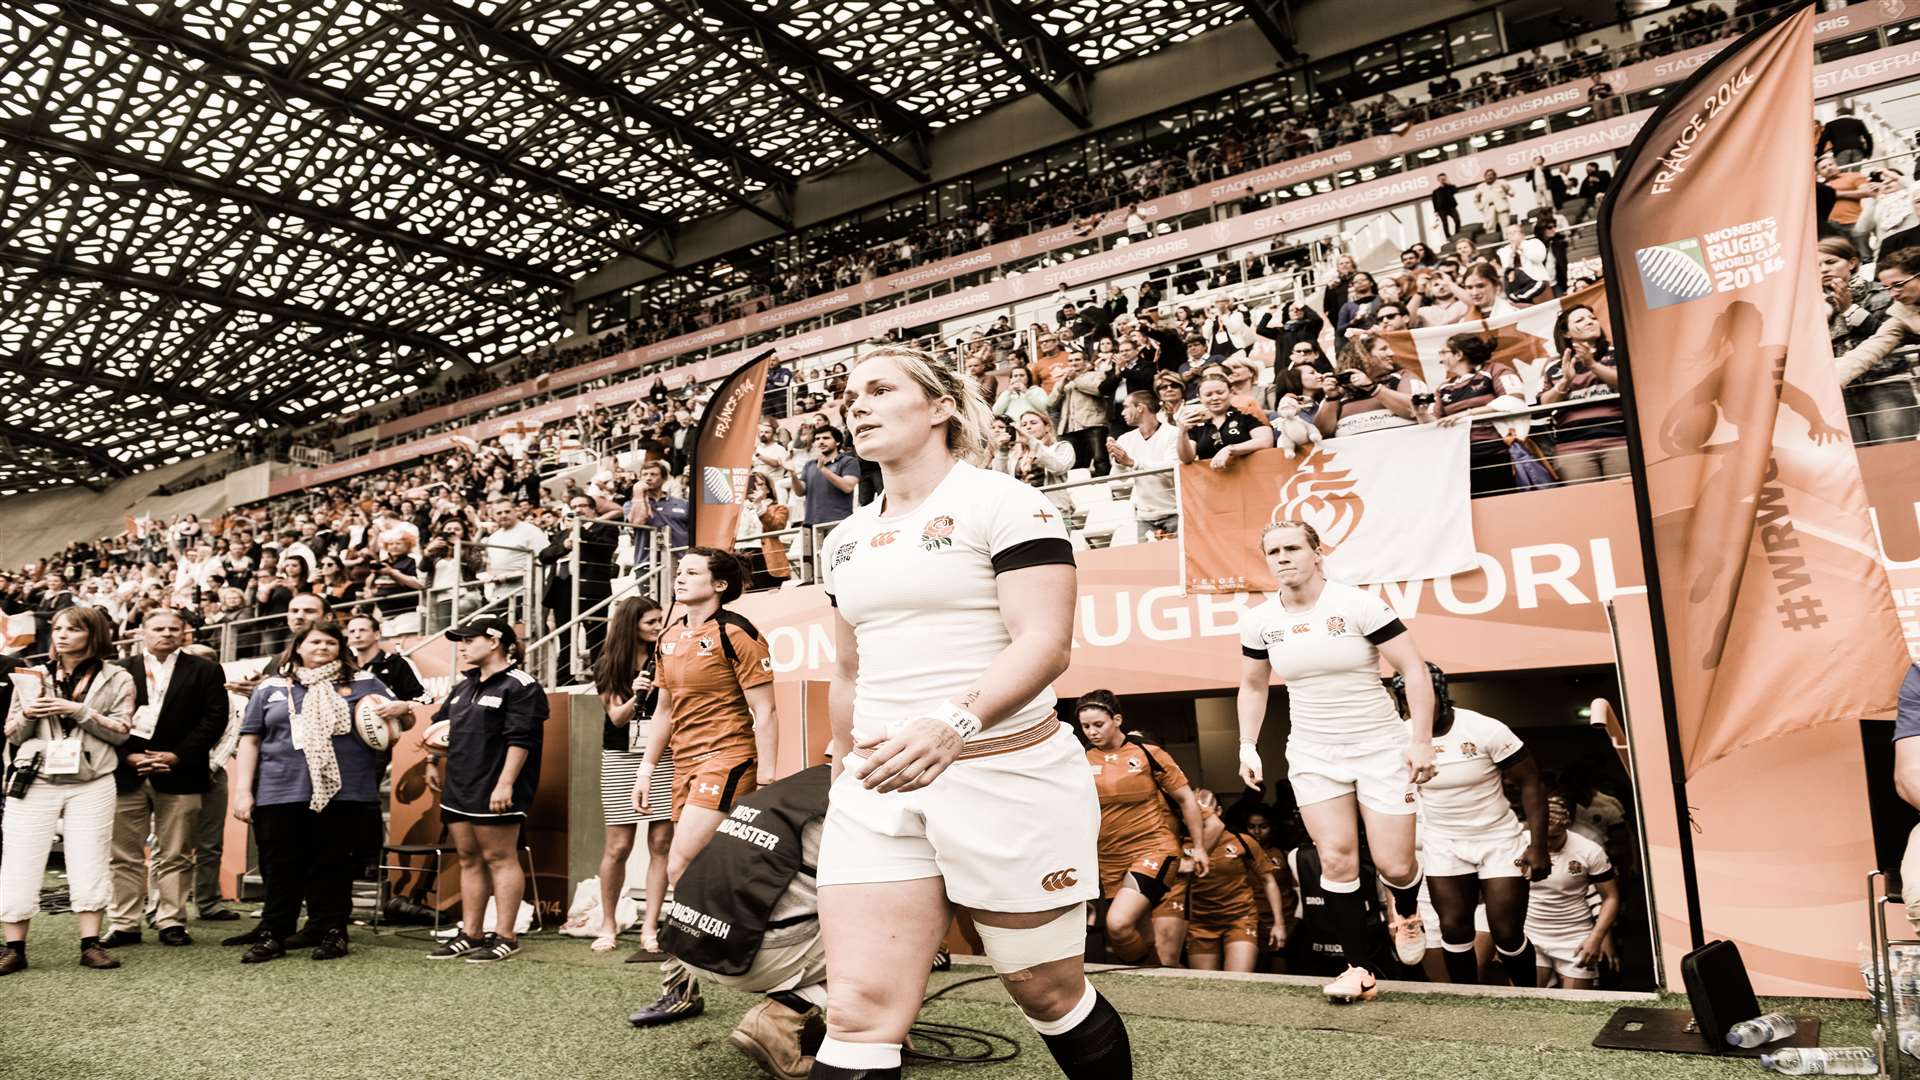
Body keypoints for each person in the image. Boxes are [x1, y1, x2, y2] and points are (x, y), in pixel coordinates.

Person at [809, 344, 1127, 1080]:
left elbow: (1046, 643)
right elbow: (849, 670)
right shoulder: (846, 539)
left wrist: (952, 722)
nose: (855, 405)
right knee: (857, 1009)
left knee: (1043, 989)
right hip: (880, 788)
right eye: (849, 394)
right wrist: (839, 768)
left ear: (941, 406)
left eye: (879, 389)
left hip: (1007, 776)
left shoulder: (1004, 501)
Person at [1236, 521, 1437, 1002]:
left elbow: (1413, 668)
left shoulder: (1357, 604)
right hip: (1313, 751)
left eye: (1292, 548)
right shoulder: (1259, 619)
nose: (1282, 558)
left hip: (1380, 747)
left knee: (1395, 862)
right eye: (1273, 552)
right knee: (1337, 860)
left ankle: (1405, 910)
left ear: (1316, 553)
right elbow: (1254, 685)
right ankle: (1359, 969)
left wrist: (1422, 740)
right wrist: (1247, 744)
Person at [629, 546, 780, 1027]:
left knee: (681, 863)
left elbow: (767, 711)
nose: (680, 577)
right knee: (701, 870)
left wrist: (770, 777)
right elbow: (665, 711)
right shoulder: (670, 637)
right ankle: (725, 966)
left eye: (692, 571)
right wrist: (646, 768)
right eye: (679, 571)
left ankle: (683, 985)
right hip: (685, 764)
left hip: (729, 758)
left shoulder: (735, 632)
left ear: (718, 584)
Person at [225, 622, 394, 963]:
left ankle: (330, 931)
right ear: (298, 647)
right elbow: (251, 739)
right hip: (280, 790)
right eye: (314, 641)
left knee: (332, 865)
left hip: (344, 791)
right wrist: (243, 791)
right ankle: (275, 933)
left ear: (340, 648)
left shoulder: (365, 684)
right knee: (280, 866)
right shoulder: (270, 687)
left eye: (331, 642)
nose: (322, 647)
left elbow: (393, 727)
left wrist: (400, 712)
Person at [1, 605, 134, 974]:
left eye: (73, 629)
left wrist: (77, 710)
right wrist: (28, 714)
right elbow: (12, 732)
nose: (61, 635)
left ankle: (90, 944)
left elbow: (122, 732)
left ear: (92, 634)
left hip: (92, 780)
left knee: (89, 855)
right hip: (36, 778)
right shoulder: (31, 675)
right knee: (20, 858)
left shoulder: (118, 678)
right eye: (58, 628)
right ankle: (14, 947)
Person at [1398, 666, 1548, 987]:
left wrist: (1538, 845)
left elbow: (1531, 783)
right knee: (1453, 928)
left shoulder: (1484, 729)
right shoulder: (1400, 738)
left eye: (1425, 698)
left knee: (1506, 933)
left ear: (1440, 695)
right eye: (1409, 701)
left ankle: (1532, 997)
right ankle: (1469, 999)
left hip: (1498, 839)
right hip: (1444, 842)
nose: (1419, 709)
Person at [423, 614, 548, 964]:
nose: (461, 647)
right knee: (468, 858)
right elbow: (438, 728)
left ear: (494, 641)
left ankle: (506, 935)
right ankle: (471, 933)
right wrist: (431, 763)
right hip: (460, 785)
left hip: (496, 788)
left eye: (468, 639)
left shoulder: (521, 686)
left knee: (499, 857)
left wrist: (505, 783)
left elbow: (522, 739)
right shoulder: (463, 686)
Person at [102, 609, 227, 948]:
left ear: (184, 633)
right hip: (126, 770)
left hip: (181, 771)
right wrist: (129, 755)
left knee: (177, 853)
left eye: (175, 628)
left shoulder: (205, 669)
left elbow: (215, 719)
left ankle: (171, 920)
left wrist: (178, 755)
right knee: (124, 854)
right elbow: (101, 718)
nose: (167, 634)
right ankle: (124, 923)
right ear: (143, 632)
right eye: (159, 628)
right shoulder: (117, 670)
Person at [1078, 690, 1208, 968]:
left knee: (1118, 923)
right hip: (1110, 858)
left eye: (1098, 724)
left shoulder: (1148, 752)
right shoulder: (1080, 760)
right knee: (1140, 932)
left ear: (1117, 720)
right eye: (1086, 726)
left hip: (1154, 848)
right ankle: (1157, 974)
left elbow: (1186, 799)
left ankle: (1154, 970)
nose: (1092, 732)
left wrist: (1199, 848)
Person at [590, 597, 675, 958]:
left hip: (665, 755)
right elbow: (616, 718)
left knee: (661, 844)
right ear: (631, 625)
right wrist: (639, 691)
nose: (658, 627)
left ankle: (651, 926)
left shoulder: (668, 656)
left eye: (659, 621)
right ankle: (608, 923)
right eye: (649, 623)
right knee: (618, 846)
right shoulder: (609, 663)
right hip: (621, 756)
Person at [1826, 241, 1919, 445]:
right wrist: (1826, 382)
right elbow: (1869, 350)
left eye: (1898, 285)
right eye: (1887, 288)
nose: (1893, 294)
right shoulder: (1900, 314)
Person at [1184, 789, 1285, 974]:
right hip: (1200, 922)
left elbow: (1268, 880)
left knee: (1237, 982)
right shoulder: (1182, 844)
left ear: (1219, 811)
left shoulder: (1241, 841)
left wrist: (1279, 924)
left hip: (1240, 918)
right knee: (1205, 987)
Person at [1527, 792, 1621, 989]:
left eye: (1553, 837)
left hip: (1575, 936)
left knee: (1575, 1005)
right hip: (1531, 932)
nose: (1547, 844)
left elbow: (1610, 897)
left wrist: (1597, 938)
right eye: (1542, 836)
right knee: (1525, 1001)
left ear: (1567, 826)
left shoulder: (1589, 850)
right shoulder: (1518, 841)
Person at [1538, 305, 1627, 482]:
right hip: (1573, 446)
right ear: (1566, 333)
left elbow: (1629, 385)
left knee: (1625, 499)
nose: (1590, 321)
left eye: (1592, 318)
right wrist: (1565, 382)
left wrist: (1592, 365)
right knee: (1586, 502)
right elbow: (1544, 404)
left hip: (1618, 439)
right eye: (1580, 320)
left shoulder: (1617, 352)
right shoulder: (1554, 365)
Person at [1434, 333, 1528, 497]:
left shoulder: (1495, 370)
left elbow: (1515, 399)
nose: (1439, 359)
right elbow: (1435, 422)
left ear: (1458, 354)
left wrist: (1466, 415)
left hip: (1496, 453)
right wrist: (1419, 412)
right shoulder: (1444, 387)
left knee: (1503, 507)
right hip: (1460, 459)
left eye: (1443, 352)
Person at [1107, 391, 1181, 538]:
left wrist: (1132, 462)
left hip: (1175, 514)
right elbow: (1117, 479)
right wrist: (1118, 461)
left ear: (1140, 407)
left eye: (1126, 407)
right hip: (1144, 518)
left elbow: (1170, 469)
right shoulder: (1125, 439)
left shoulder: (1173, 433)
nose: (1122, 413)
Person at [1175, 372, 1273, 471]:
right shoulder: (1195, 422)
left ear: (1231, 392)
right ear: (1199, 397)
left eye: (1220, 392)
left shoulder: (1247, 412)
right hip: (1213, 482)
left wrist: (1230, 449)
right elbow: (1186, 459)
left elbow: (1266, 441)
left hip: (1253, 476)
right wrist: (1182, 432)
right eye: (1208, 395)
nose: (1215, 398)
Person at [789, 427, 861, 529]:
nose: (821, 441)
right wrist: (793, 474)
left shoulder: (848, 461)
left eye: (826, 438)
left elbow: (847, 486)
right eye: (817, 439)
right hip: (811, 524)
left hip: (838, 522)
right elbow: (800, 492)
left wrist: (823, 469)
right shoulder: (809, 465)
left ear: (837, 442)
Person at [1431, 174, 1461, 239]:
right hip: (1441, 209)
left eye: (1444, 179)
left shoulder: (1450, 187)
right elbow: (1434, 202)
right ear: (1438, 180)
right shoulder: (1436, 191)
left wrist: (1449, 183)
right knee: (1445, 223)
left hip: (1451, 207)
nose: (1443, 180)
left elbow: (1456, 190)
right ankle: (1448, 237)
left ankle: (1457, 233)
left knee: (1457, 220)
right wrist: (1436, 211)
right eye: (1441, 179)